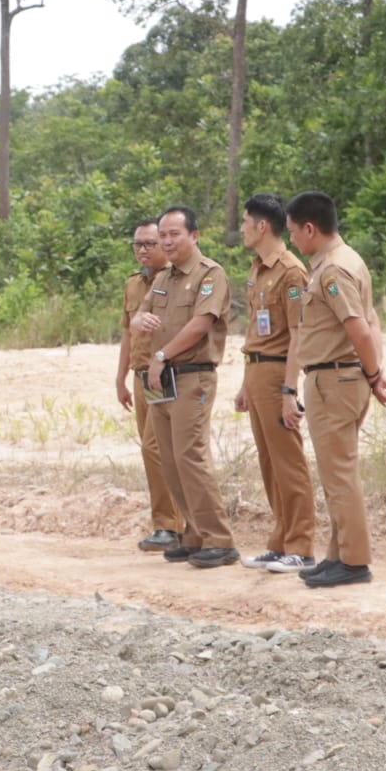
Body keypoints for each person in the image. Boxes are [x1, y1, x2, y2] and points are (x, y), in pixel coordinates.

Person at [284, 192, 386, 588]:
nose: (293, 240)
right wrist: (372, 375)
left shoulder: (333, 271)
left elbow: (360, 329)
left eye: (294, 232)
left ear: (310, 229)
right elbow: (372, 320)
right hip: (339, 377)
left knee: (339, 475)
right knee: (335, 472)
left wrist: (374, 374)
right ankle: (338, 555)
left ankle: (353, 562)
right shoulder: (347, 260)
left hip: (334, 379)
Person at [130, 206, 240, 569]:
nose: (167, 241)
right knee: (169, 457)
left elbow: (201, 324)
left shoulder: (210, 275)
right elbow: (138, 315)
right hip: (161, 380)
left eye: (174, 234)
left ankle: (219, 539)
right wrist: (138, 320)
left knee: (191, 455)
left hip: (192, 375)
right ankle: (192, 535)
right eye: (163, 235)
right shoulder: (162, 277)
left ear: (194, 236)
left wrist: (161, 354)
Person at [234, 194, 317, 573]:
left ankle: (301, 545)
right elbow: (256, 327)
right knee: (269, 462)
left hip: (277, 372)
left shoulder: (291, 271)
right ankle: (280, 540)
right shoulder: (257, 268)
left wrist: (289, 392)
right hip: (256, 370)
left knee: (288, 461)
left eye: (245, 222)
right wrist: (244, 384)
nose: (242, 229)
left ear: (262, 226)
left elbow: (298, 335)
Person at [115, 218, 184, 552]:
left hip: (163, 374)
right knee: (150, 449)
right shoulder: (132, 285)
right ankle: (166, 522)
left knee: (157, 449)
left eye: (150, 244)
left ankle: (171, 524)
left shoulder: (174, 280)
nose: (142, 250)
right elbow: (128, 332)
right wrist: (120, 376)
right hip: (140, 375)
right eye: (137, 244)